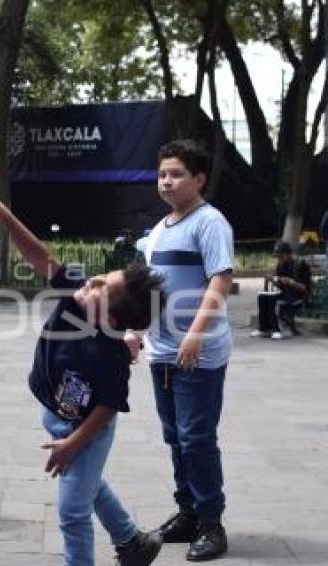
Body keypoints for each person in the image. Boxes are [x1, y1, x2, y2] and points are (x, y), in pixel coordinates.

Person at [0, 191, 165, 566]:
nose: (92, 282)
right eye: (98, 278)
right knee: (87, 486)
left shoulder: (110, 357)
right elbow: (41, 255)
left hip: (86, 430)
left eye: (100, 287)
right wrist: (1, 212)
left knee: (73, 512)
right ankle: (132, 543)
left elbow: (107, 408)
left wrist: (73, 443)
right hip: (56, 415)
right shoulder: (76, 299)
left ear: (112, 321)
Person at [142, 140, 234, 562]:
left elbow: (220, 281)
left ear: (198, 179)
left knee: (197, 438)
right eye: (162, 174)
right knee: (175, 437)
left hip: (199, 354)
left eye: (176, 174)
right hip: (162, 352)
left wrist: (196, 333)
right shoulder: (159, 229)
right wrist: (134, 331)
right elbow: (149, 288)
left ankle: (212, 523)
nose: (167, 181)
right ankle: (188, 513)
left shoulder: (209, 222)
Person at [250, 241, 312, 339]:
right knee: (263, 297)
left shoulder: (300, 265)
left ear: (288, 254)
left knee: (274, 301)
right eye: (277, 256)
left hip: (299, 297)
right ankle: (264, 329)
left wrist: (291, 282)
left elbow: (305, 288)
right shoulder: (281, 265)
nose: (279, 258)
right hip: (286, 294)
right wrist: (274, 281)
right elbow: (281, 286)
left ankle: (276, 329)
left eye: (281, 255)